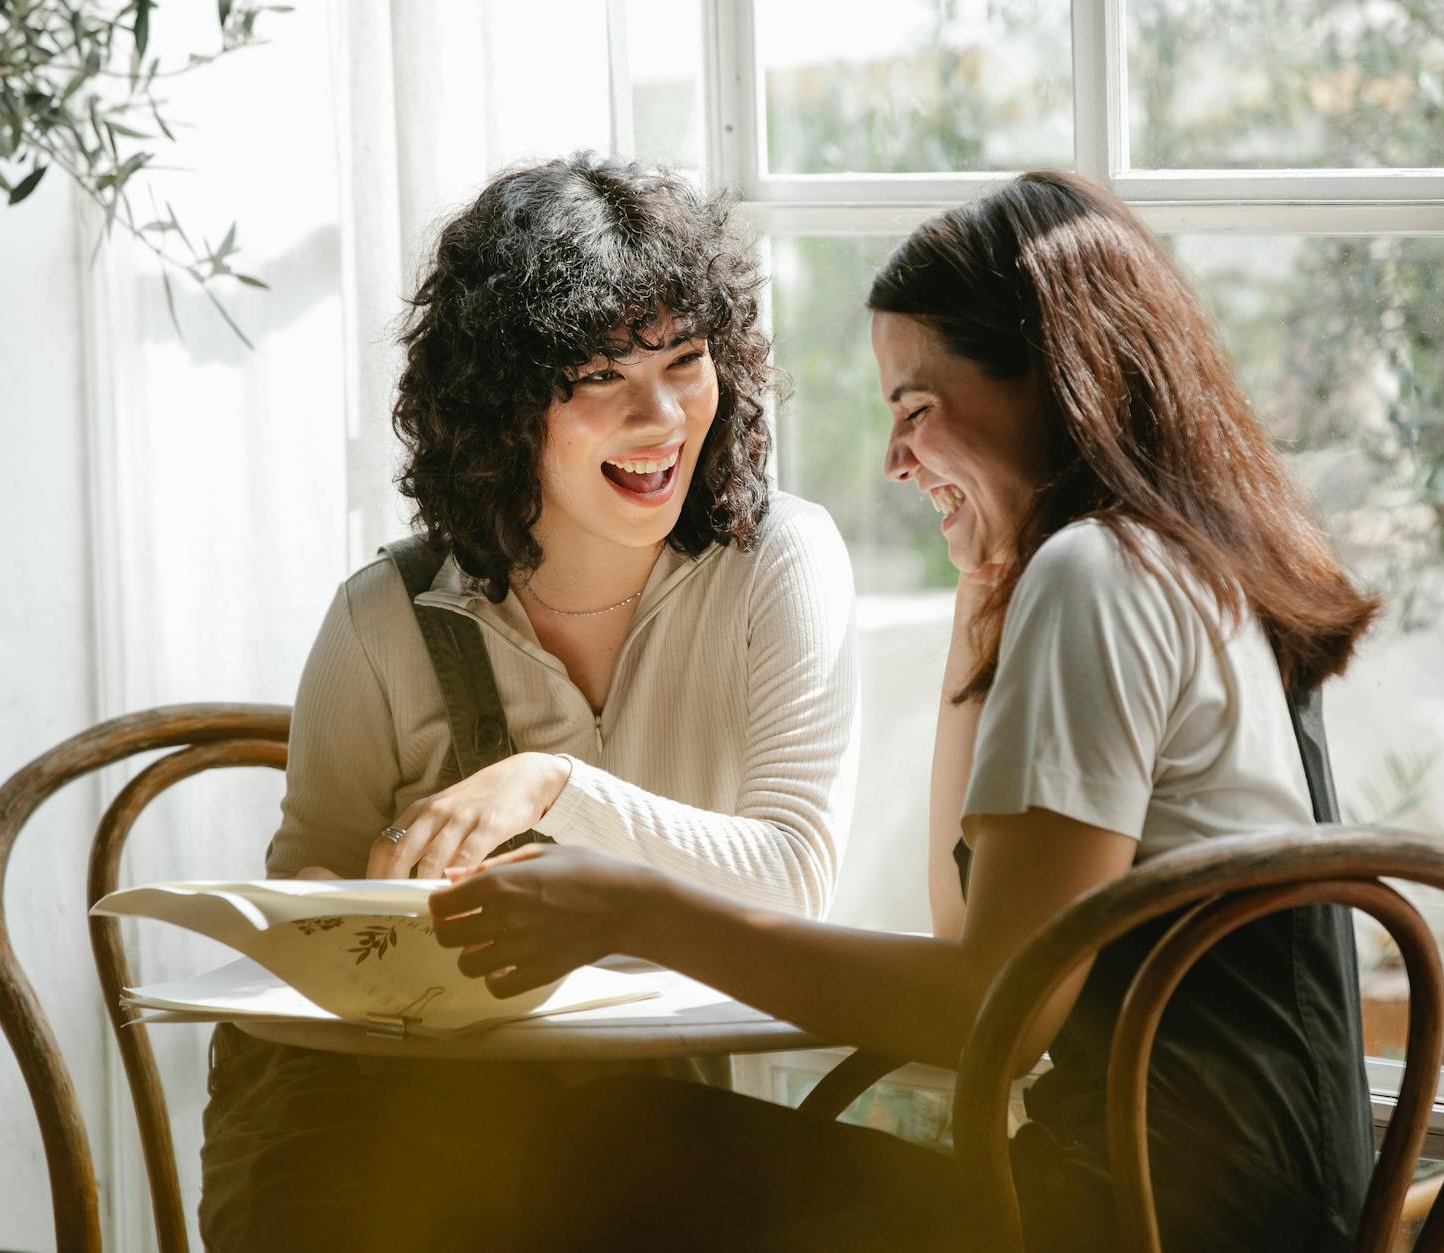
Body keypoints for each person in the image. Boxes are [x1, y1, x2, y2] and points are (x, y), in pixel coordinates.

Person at [430, 170, 1383, 1252]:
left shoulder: (1099, 575)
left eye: (915, 409)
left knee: (596, 1150)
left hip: (1146, 1219)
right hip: (1253, 1207)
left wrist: (633, 910)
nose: (891, 459)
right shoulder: (1170, 561)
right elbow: (965, 934)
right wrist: (982, 594)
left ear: (1051, 381)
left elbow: (995, 1014)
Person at [197, 152, 860, 1252]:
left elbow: (795, 880)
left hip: (651, 1123)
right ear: (502, 407)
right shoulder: (384, 616)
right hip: (394, 1126)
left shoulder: (778, 560)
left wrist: (551, 785)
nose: (661, 420)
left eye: (686, 362)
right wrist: (353, 905)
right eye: (599, 377)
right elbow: (306, 875)